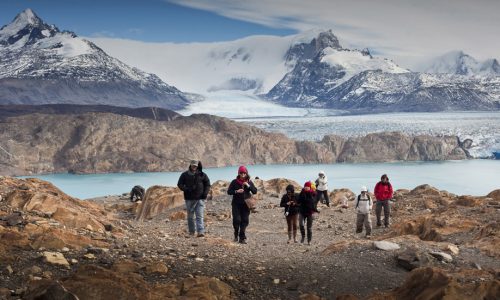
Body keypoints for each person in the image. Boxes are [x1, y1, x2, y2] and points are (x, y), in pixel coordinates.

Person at [177, 160, 210, 237]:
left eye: (195, 166)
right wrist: (187, 189)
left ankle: (200, 232)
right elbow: (179, 184)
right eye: (193, 165)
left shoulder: (202, 175)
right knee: (190, 217)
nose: (194, 167)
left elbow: (207, 184)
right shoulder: (184, 175)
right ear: (190, 165)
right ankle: (192, 232)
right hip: (189, 199)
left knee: (199, 216)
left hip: (200, 199)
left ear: (197, 166)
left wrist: (205, 194)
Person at [227, 165, 257, 244]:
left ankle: (242, 238)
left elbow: (255, 191)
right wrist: (236, 191)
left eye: (244, 173)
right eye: (241, 173)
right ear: (239, 173)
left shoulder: (249, 182)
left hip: (246, 204)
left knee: (245, 221)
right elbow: (229, 192)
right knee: (237, 220)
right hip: (236, 204)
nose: (243, 174)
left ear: (246, 173)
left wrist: (249, 186)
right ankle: (236, 234)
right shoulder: (234, 182)